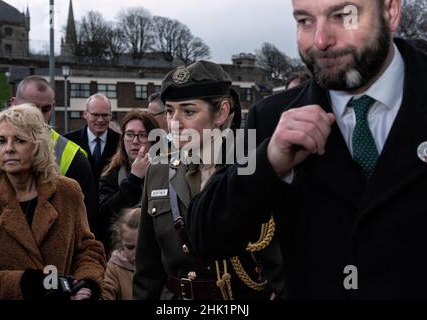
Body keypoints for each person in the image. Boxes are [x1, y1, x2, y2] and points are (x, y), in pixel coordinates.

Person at [186, 0, 427, 299]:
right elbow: (205, 235)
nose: (321, 41)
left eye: (343, 16)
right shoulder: (269, 117)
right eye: (304, 21)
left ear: (390, 11)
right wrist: (268, 161)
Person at [133, 60, 283, 300]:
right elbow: (147, 269)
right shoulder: (159, 168)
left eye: (188, 111)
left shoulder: (251, 167)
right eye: (170, 111)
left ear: (222, 112)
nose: (174, 123)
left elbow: (280, 266)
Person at [0, 104, 106, 300]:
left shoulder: (68, 191)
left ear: (37, 145)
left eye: (19, 140)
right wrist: (30, 284)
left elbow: (88, 249)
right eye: (1, 141)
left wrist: (86, 283)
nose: (9, 148)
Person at [12, 76, 99, 234]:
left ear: (53, 107)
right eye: (31, 108)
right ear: (14, 104)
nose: (38, 116)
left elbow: (87, 225)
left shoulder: (74, 155)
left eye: (45, 109)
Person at [98, 111, 159, 251]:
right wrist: (133, 179)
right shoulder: (111, 172)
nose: (135, 141)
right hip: (121, 253)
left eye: (142, 135)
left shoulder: (168, 169)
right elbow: (105, 213)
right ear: (122, 138)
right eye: (130, 134)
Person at [65, 93, 121, 182]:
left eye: (105, 115)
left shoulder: (121, 142)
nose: (100, 120)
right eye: (95, 115)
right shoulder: (68, 141)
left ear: (110, 115)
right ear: (85, 114)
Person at [102, 207, 140, 300]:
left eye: (142, 247)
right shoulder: (115, 268)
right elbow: (105, 293)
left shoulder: (164, 265)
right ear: (121, 243)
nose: (136, 254)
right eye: (130, 247)